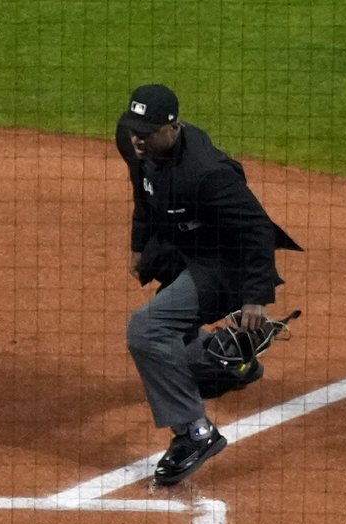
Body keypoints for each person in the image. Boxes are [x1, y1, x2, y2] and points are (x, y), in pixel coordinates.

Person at [117, 84, 302, 485]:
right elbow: (142, 188)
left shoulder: (207, 173)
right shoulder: (134, 143)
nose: (137, 139)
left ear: (173, 128)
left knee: (148, 328)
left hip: (226, 263)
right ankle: (224, 362)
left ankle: (195, 433)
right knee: (170, 340)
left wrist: (255, 297)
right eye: (134, 130)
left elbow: (256, 229)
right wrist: (139, 245)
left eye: (147, 132)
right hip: (186, 248)